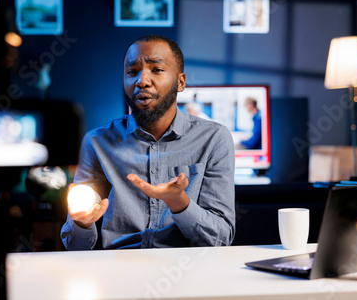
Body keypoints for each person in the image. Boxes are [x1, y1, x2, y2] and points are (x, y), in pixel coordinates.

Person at [60, 35, 235, 250]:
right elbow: (75, 248)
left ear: (180, 82)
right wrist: (82, 222)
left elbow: (220, 239)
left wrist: (179, 203)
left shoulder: (214, 138)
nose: (141, 80)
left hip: (185, 271)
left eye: (157, 70)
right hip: (117, 270)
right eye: (132, 72)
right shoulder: (96, 142)